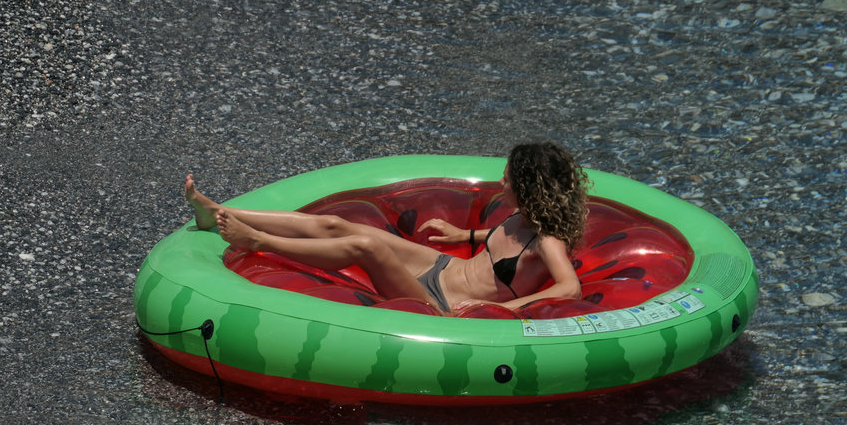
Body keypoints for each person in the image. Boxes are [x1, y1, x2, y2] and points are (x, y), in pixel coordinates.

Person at [185, 142, 590, 315]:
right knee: (337, 224)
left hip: (443, 308)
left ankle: (256, 240)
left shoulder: (550, 239)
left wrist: (499, 311)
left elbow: (568, 289)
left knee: (365, 247)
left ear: (531, 188)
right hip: (441, 269)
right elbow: (507, 242)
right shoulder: (527, 219)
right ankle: (217, 211)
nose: (501, 185)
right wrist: (464, 237)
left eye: (508, 180)